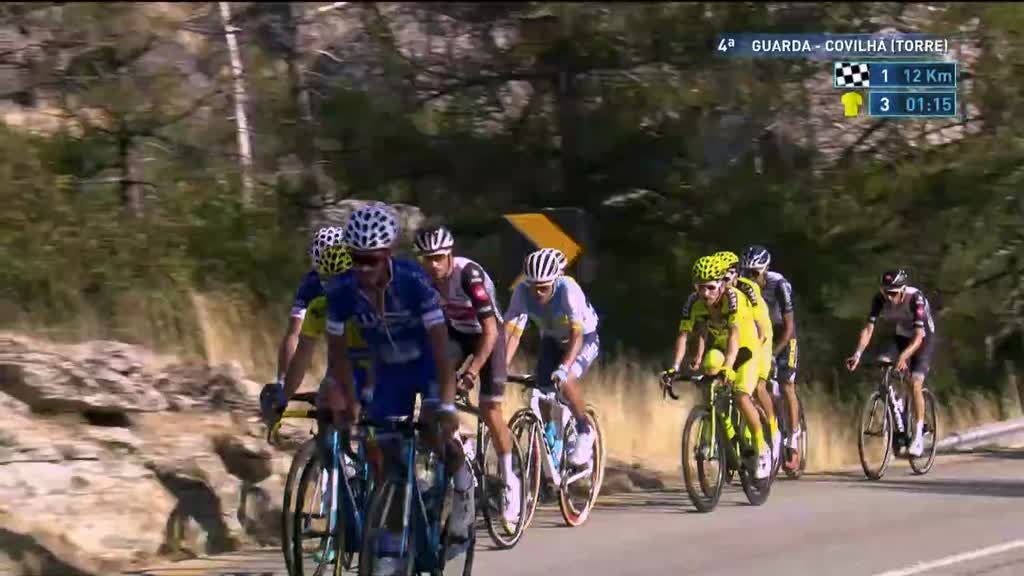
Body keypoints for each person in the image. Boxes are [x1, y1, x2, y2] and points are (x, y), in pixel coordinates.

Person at [321, 203, 470, 573]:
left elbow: (441, 349)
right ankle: (390, 550)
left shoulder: (413, 282)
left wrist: (447, 404)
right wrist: (350, 400)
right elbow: (337, 354)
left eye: (369, 260)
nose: (362, 269)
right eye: (355, 259)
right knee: (390, 463)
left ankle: (464, 486)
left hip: (427, 363)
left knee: (437, 431)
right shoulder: (342, 291)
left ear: (387, 254)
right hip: (388, 370)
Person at [412, 224, 521, 525]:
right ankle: (461, 442)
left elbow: (489, 331)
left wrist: (472, 371)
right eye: (426, 258)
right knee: (435, 396)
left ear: (449, 254)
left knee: (489, 408)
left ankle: (510, 479)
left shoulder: (468, 275)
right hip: (457, 333)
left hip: (487, 335)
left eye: (438, 257)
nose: (433, 265)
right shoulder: (423, 280)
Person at [663, 255, 771, 479]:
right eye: (700, 287)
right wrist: (674, 367)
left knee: (741, 396)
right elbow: (684, 335)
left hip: (746, 348)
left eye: (711, 288)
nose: (706, 293)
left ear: (722, 284)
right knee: (710, 369)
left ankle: (762, 449)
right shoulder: (694, 302)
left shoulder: (734, 298)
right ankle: (712, 429)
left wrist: (729, 367)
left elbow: (734, 335)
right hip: (722, 348)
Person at [504, 248, 599, 468]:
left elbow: (577, 335)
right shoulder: (522, 291)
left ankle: (585, 429)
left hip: (583, 338)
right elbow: (509, 333)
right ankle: (553, 437)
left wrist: (565, 367)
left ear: (556, 280)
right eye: (534, 287)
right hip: (553, 339)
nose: (538, 293)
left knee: (565, 381)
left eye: (544, 288)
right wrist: (499, 367)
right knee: (541, 390)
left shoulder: (568, 289)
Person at [845, 269, 937, 457]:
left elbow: (919, 336)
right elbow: (868, 329)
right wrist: (857, 354)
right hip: (902, 336)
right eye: (885, 292)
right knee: (884, 362)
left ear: (903, 290)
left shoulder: (915, 298)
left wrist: (904, 357)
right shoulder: (880, 299)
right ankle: (898, 411)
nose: (889, 297)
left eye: (893, 294)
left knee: (916, 382)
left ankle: (918, 436)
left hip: (923, 338)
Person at [716, 250, 780, 466]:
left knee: (757, 387)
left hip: (759, 337)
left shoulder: (748, 289)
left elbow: (760, 330)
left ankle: (773, 432)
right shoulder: (717, 295)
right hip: (737, 340)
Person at [741, 245, 802, 468]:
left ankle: (793, 441)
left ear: (765, 270)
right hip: (757, 332)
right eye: (746, 273)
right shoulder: (741, 284)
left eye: (755, 273)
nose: (750, 277)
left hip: (783, 334)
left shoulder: (780, 284)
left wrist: (775, 354)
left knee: (786, 385)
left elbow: (789, 327)